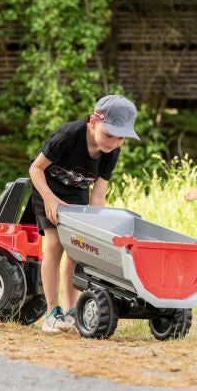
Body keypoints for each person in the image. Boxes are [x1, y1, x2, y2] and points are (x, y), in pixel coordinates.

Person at [28, 95, 140, 333]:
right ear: (92, 122)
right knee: (55, 243)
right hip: (47, 188)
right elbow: (35, 169)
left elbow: (98, 195)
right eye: (108, 134)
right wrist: (49, 198)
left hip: (77, 193)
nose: (113, 142)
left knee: (77, 249)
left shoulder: (111, 152)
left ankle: (71, 312)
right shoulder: (68, 136)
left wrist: (96, 227)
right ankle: (52, 312)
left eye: (120, 137)